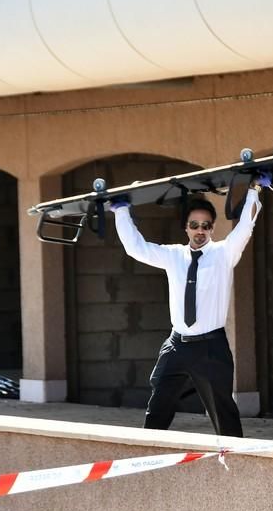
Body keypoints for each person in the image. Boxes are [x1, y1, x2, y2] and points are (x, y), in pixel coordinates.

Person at [110, 187, 264, 437]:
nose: (200, 230)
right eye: (194, 225)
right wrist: (121, 212)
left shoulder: (224, 253)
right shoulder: (174, 255)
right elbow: (136, 248)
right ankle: (148, 456)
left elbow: (245, 227)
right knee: (158, 405)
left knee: (223, 412)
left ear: (212, 228)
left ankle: (236, 462)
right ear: (186, 228)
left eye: (206, 225)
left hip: (210, 347)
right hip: (177, 345)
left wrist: (254, 192)